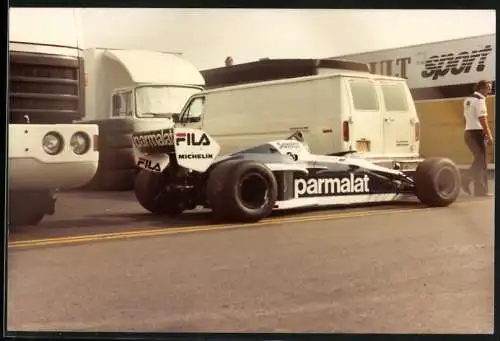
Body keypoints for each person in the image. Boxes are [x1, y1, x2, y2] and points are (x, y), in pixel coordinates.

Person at [462, 80, 494, 196]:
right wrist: (489, 135)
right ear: (481, 89)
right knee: (481, 162)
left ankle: (478, 189)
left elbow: (465, 118)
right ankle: (466, 180)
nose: (490, 91)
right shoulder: (480, 101)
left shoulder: (467, 100)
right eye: (488, 88)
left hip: (468, 133)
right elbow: (483, 120)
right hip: (477, 134)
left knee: (479, 161)